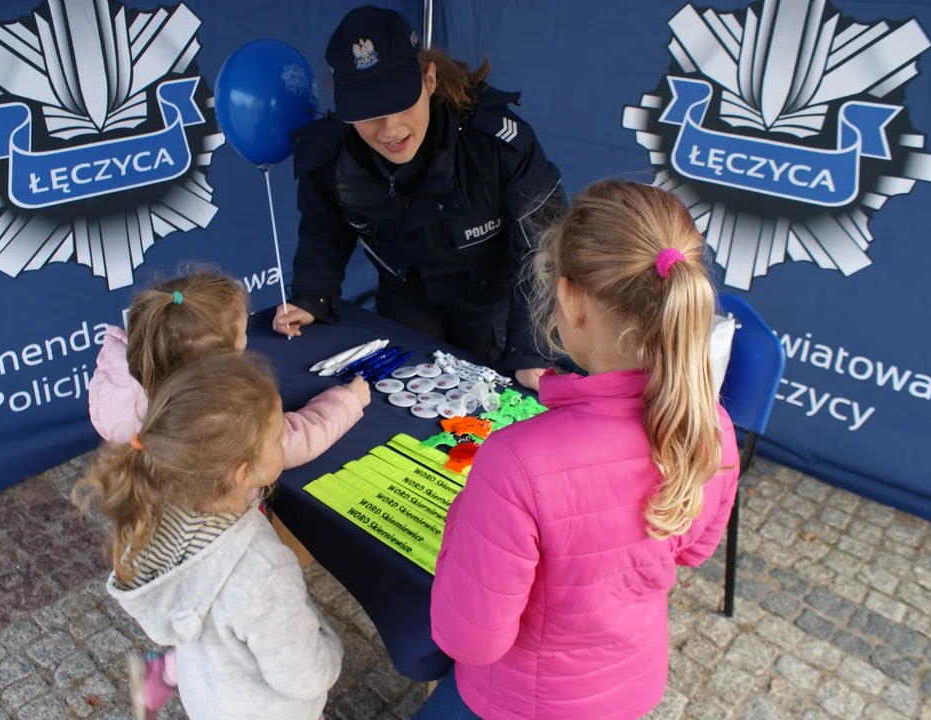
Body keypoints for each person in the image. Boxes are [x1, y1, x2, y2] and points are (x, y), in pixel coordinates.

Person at [415, 180, 741, 719]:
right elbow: (692, 550)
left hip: (521, 702)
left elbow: (470, 641)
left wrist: (461, 524)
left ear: (569, 296)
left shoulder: (516, 462)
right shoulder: (715, 427)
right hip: (630, 686)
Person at [86, 271, 369, 719]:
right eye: (275, 439)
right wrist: (328, 645)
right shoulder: (264, 570)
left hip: (208, 699)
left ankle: (166, 673)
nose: (281, 442)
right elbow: (305, 674)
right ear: (242, 471)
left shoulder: (161, 514)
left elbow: (195, 613)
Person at [272, 5, 566, 390]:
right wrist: (311, 298)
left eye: (402, 104)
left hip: (492, 307)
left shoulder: (497, 144)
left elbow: (544, 246)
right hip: (405, 304)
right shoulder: (330, 154)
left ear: (429, 79)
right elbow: (322, 231)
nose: (390, 129)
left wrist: (530, 353)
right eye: (369, 113)